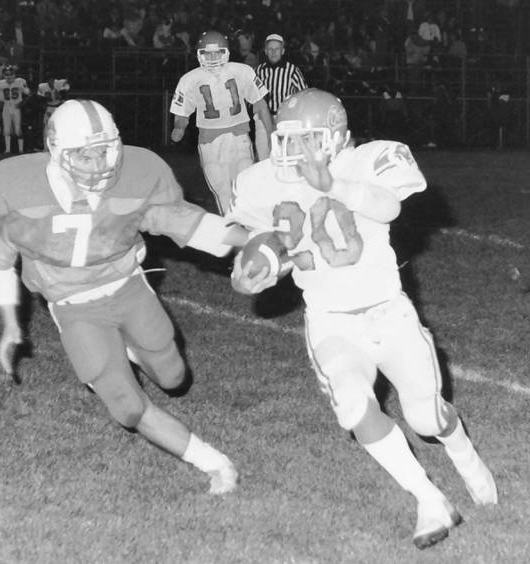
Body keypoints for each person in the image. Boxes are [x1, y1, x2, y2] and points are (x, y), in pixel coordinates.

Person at [228, 88, 498, 549]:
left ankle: (464, 454)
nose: (293, 151)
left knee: (427, 418)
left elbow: (389, 206)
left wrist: (331, 185)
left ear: (335, 138)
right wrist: (248, 270)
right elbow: (250, 236)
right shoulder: (261, 181)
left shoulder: (367, 160)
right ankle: (428, 499)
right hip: (331, 320)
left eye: (307, 140)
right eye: (288, 139)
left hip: (390, 313)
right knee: (354, 407)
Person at [0, 99, 248, 494]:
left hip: (127, 283)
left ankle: (132, 350)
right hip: (72, 303)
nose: (99, 164)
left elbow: (186, 222)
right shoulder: (17, 187)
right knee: (127, 406)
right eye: (85, 155)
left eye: (105, 150)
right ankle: (215, 464)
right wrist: (10, 325)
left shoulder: (137, 173)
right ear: (57, 151)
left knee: (173, 377)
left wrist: (252, 240)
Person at [170, 30, 272, 214]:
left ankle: (251, 226)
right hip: (210, 142)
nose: (212, 57)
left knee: (244, 186)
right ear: (199, 54)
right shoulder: (189, 80)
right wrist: (179, 126)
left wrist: (269, 133)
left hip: (238, 136)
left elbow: (260, 105)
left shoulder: (242, 71)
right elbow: (182, 112)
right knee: (222, 191)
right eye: (207, 53)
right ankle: (232, 229)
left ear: (226, 52)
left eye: (217, 52)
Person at [254, 33, 308, 161]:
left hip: (285, 121)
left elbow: (304, 96)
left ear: (282, 51)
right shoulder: (258, 71)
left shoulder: (293, 71)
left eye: (277, 49)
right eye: (270, 49)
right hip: (262, 120)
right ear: (266, 51)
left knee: (285, 157)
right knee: (264, 157)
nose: (273, 52)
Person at [0, 64, 29, 154]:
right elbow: (1, 100)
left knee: (18, 129)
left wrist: (21, 104)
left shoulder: (20, 82)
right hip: (6, 107)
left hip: (16, 107)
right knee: (6, 129)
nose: (9, 76)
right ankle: (7, 149)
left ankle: (21, 149)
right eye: (7, 74)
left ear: (14, 74)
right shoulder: (1, 84)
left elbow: (28, 94)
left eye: (10, 74)